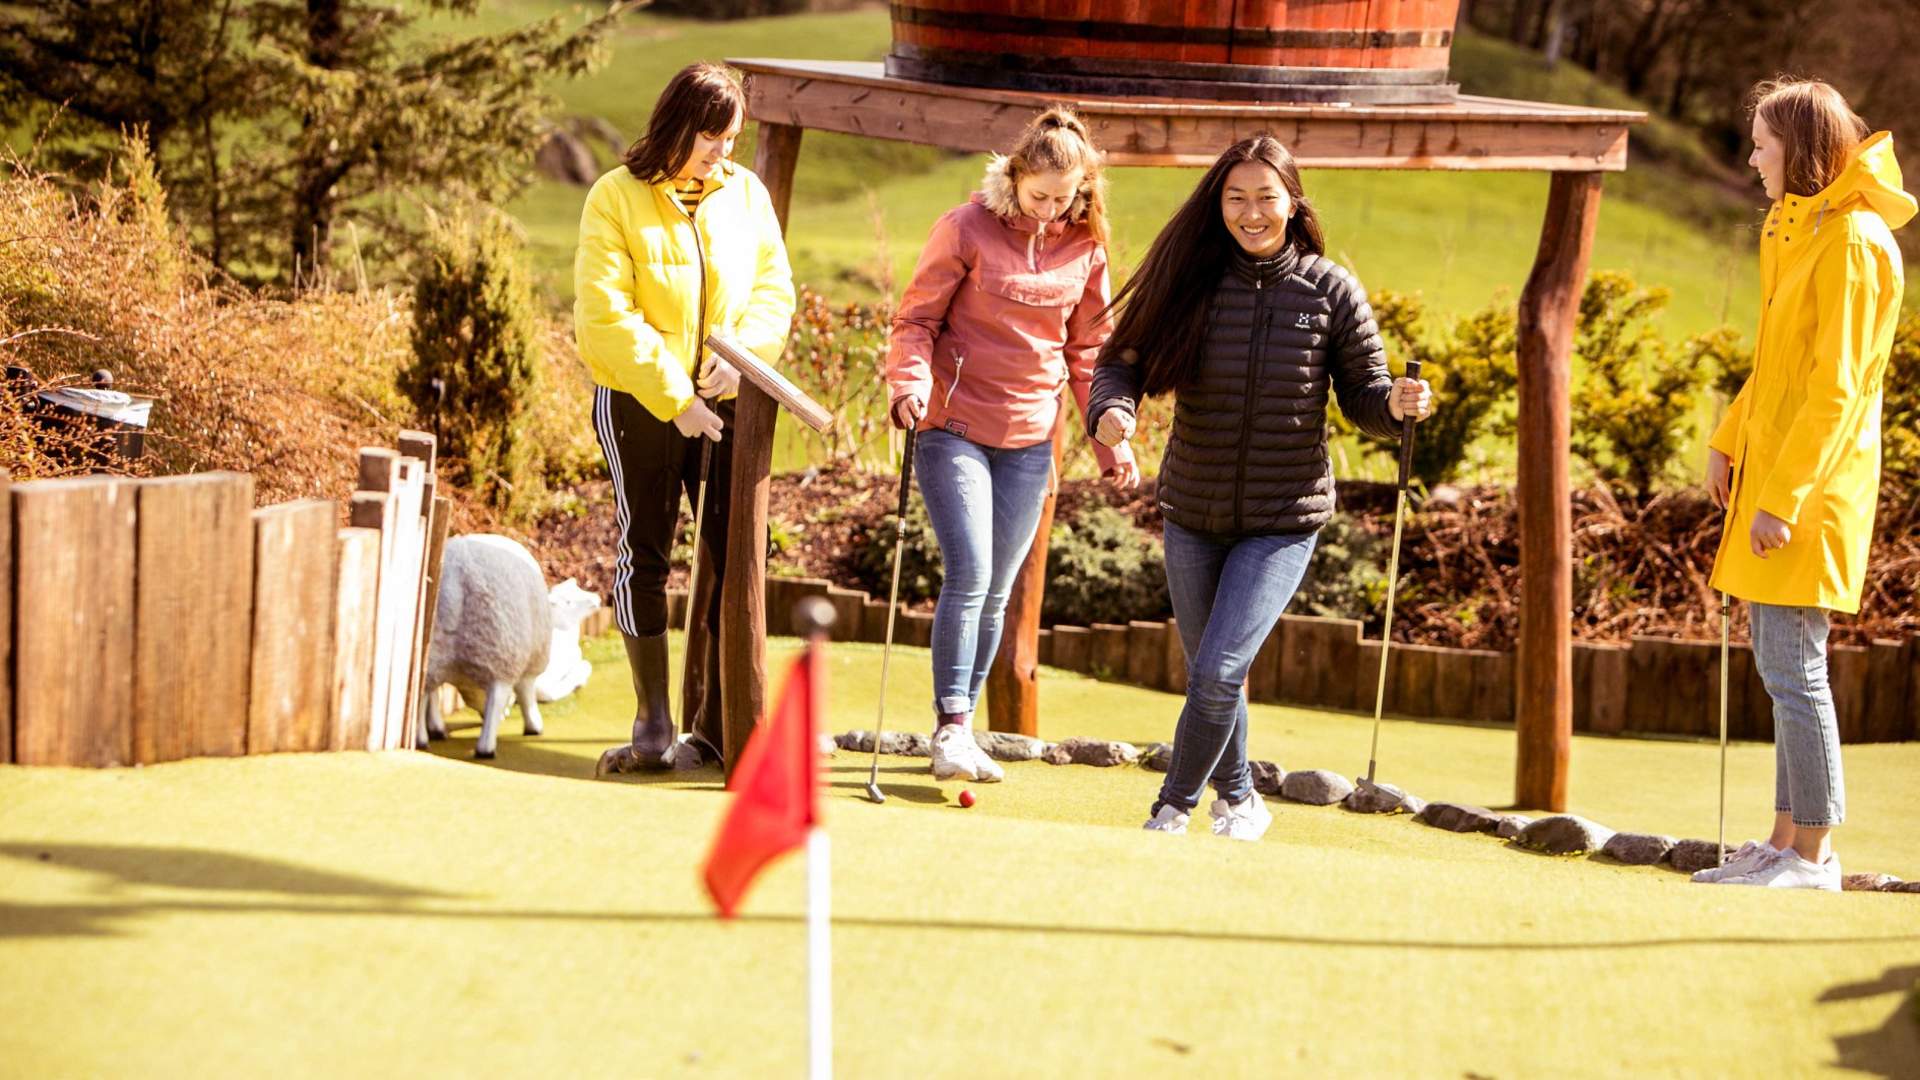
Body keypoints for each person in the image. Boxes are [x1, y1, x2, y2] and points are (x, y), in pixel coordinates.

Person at [1088, 134, 1432, 839]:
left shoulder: (1330, 289)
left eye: (1265, 198)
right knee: (1214, 672)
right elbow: (1119, 362)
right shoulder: (1189, 283)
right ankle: (1239, 798)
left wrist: (1395, 407)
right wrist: (1113, 408)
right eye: (1236, 198)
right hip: (1193, 509)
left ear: (1293, 202)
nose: (1251, 213)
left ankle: (1172, 807)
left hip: (1284, 517)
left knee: (1217, 669)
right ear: (1218, 204)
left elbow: (1364, 394)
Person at [1693, 79, 1911, 890]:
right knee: (1779, 668)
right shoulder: (1798, 229)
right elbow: (1779, 364)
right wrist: (1726, 440)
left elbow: (1836, 389)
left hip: (1809, 494)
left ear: (1802, 149)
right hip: (1776, 482)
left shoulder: (1852, 242)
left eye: (1761, 144)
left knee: (1795, 671)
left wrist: (1782, 499)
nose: (1751, 158)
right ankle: (1783, 840)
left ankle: (1813, 856)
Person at [885, 106, 1138, 784]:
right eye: (1040, 196)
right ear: (1017, 176)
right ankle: (952, 730)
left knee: (997, 590)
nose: (1053, 209)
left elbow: (1089, 353)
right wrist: (907, 385)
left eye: (1067, 198)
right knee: (969, 575)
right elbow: (914, 321)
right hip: (953, 425)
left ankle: (961, 728)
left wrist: (1112, 442)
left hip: (1031, 439)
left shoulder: (1086, 247)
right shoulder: (964, 227)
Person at [574, 62, 795, 774]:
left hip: (729, 404)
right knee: (646, 554)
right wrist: (679, 400)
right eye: (712, 140)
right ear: (677, 128)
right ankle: (652, 720)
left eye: (731, 140)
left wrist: (745, 358)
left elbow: (772, 289)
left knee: (740, 558)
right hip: (640, 404)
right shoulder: (615, 198)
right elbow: (607, 319)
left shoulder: (747, 196)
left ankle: (718, 725)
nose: (723, 154)